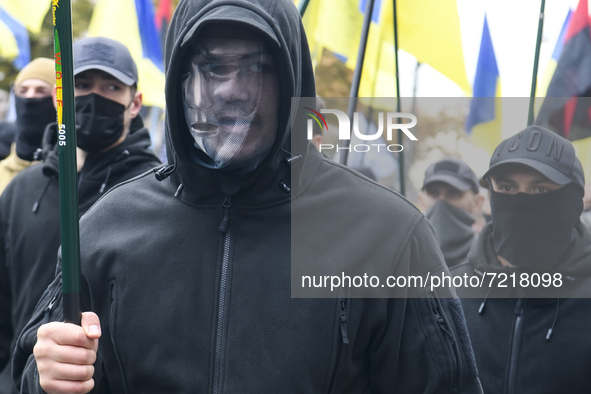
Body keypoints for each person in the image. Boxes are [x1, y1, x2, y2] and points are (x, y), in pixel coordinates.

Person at [16, 1, 482, 393]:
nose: (231, 91)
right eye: (211, 66)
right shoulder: (104, 230)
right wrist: (47, 375)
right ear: (179, 82)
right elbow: (37, 373)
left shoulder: (388, 236)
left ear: (293, 81)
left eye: (258, 68)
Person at [0, 37, 161, 393]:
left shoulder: (156, 195)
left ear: (134, 103)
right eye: (82, 85)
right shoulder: (21, 190)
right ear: (61, 98)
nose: (93, 97)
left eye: (111, 87)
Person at [451, 125, 591, 393]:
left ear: (574, 202)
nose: (521, 202)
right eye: (506, 187)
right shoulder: (448, 293)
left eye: (540, 190)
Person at [0, 58, 55, 193]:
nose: (30, 97)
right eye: (23, 91)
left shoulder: (72, 174)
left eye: (41, 91)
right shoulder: (2, 172)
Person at [419, 158, 485, 267]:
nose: (441, 203)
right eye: (433, 193)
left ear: (477, 203)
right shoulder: (406, 261)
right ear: (421, 201)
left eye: (453, 194)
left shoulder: (490, 263)